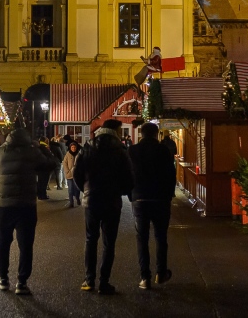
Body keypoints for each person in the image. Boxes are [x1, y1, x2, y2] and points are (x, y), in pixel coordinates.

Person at [0, 128, 59, 295]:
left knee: (3, 242)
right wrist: (42, 148)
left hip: (3, 203)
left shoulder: (0, 151)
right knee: (26, 244)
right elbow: (52, 163)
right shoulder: (32, 152)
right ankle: (21, 282)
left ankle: (3, 278)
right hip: (25, 204)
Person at [73, 119, 134, 295]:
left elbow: (77, 173)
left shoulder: (87, 147)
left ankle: (89, 280)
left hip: (91, 200)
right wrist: (121, 191)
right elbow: (130, 178)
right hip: (112, 201)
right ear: (115, 130)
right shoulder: (121, 150)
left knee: (91, 239)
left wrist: (85, 189)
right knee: (109, 242)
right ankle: (104, 282)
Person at [128, 122, 176, 289]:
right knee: (161, 238)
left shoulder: (132, 151)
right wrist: (170, 195)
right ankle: (161, 273)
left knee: (142, 238)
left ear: (141, 134)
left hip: (140, 199)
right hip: (161, 199)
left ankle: (144, 277)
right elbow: (171, 174)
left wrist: (131, 194)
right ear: (156, 134)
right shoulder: (164, 150)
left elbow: (128, 174)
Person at [63, 141, 82, 208]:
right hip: (69, 175)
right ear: (70, 148)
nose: (73, 148)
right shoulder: (67, 154)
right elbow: (64, 163)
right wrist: (67, 171)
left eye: (74, 147)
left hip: (77, 175)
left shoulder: (79, 154)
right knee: (70, 189)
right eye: (72, 147)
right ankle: (71, 202)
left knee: (77, 189)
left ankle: (77, 198)